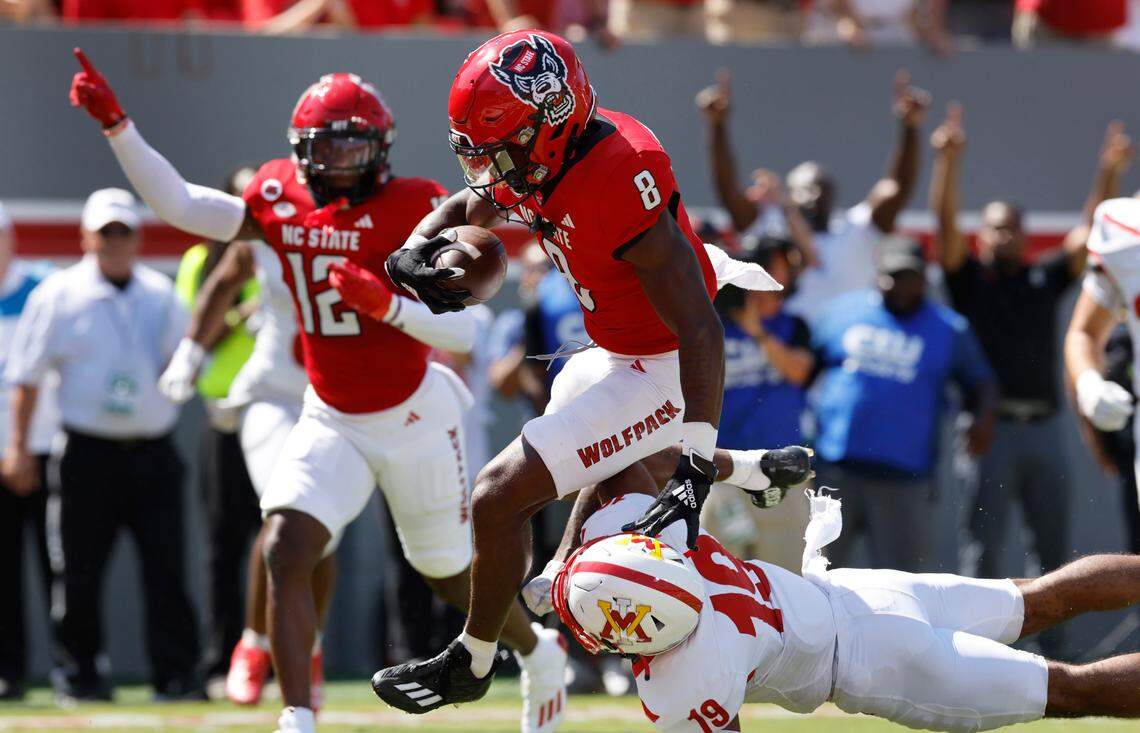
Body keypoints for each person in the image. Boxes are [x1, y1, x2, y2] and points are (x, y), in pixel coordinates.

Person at [69, 54, 563, 733]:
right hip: (330, 413)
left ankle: (540, 651)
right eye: (326, 144)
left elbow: (470, 332)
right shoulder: (279, 196)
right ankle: (297, 715)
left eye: (353, 143)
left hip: (414, 411)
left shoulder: (415, 206)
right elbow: (183, 205)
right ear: (300, 148)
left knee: (448, 573)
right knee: (285, 544)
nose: (338, 159)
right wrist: (118, 126)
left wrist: (385, 305)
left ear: (380, 147)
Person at [371, 29, 803, 715]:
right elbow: (471, 204)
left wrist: (692, 470)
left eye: (502, 149)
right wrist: (411, 250)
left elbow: (700, 328)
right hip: (615, 347)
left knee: (496, 497)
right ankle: (753, 469)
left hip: (663, 358)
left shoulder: (616, 173)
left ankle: (473, 658)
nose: (491, 169)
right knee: (607, 455)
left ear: (549, 124)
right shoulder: (543, 157)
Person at [544, 459, 1140, 733]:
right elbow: (620, 461)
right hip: (859, 592)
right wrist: (562, 561)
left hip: (878, 666)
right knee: (1041, 598)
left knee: (1067, 688)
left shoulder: (688, 675)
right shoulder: (661, 540)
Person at [5, 188, 203, 702]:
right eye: (106, 232)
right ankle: (81, 674)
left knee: (167, 569)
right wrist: (20, 448)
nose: (115, 242)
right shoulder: (58, 294)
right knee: (78, 573)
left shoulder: (161, 294)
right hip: (85, 453)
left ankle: (177, 676)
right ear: (86, 237)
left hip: (152, 450)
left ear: (137, 238)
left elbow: (180, 362)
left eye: (124, 232)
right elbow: (26, 377)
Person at [930, 103, 1132, 581]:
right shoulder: (970, 283)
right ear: (981, 237)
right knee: (982, 555)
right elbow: (943, 225)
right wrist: (949, 161)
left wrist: (1107, 173)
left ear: (1026, 237)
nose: (1005, 234)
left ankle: (1054, 653)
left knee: (1053, 555)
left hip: (1045, 429)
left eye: (1013, 227)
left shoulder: (1043, 278)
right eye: (995, 227)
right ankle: (981, 653)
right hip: (990, 431)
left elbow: (1088, 238)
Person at [158, 195, 311, 705]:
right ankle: (250, 643)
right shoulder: (233, 252)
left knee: (321, 533)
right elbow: (217, 290)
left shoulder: (335, 227)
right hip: (251, 401)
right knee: (279, 515)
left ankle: (310, 650)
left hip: (326, 398)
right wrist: (192, 352)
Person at [811, 237, 999, 572]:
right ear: (877, 275)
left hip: (904, 480)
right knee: (815, 576)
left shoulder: (948, 329)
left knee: (901, 586)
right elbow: (801, 370)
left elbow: (981, 382)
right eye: (893, 276)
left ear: (925, 278)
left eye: (911, 277)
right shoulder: (842, 314)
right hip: (835, 473)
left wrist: (982, 417)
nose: (901, 285)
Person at [696, 68, 927, 324]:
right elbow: (727, 190)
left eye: (822, 189)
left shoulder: (857, 230)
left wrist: (910, 128)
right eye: (804, 190)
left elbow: (897, 187)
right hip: (786, 351)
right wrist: (717, 127)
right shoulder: (771, 229)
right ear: (788, 196)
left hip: (843, 351)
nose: (814, 196)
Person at [170, 167, 264, 696]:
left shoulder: (272, 256)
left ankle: (270, 655)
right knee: (222, 545)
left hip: (272, 412)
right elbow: (200, 330)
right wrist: (243, 312)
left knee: (280, 535)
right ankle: (218, 660)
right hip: (223, 417)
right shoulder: (199, 262)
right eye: (241, 198)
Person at [707, 236, 812, 571]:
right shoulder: (713, 326)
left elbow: (798, 372)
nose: (773, 288)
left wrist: (758, 332)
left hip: (781, 469)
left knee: (785, 578)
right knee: (717, 576)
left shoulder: (794, 325)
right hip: (722, 468)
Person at [0, 201, 60, 702]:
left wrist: (21, 447)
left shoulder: (45, 286)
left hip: (46, 451)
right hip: (5, 450)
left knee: (61, 569)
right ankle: (7, 672)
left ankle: (74, 669)